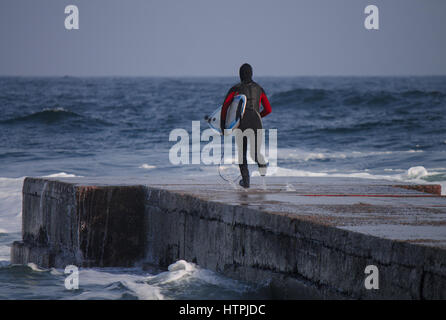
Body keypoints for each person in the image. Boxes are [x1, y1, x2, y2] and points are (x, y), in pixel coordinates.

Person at [220, 63, 272, 188]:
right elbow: (268, 109)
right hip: (256, 123)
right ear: (252, 74)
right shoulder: (259, 88)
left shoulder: (235, 89)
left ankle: (246, 182)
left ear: (240, 75)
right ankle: (262, 167)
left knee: (241, 154)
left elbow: (225, 107)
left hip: (241, 123)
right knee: (255, 153)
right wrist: (259, 115)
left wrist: (224, 126)